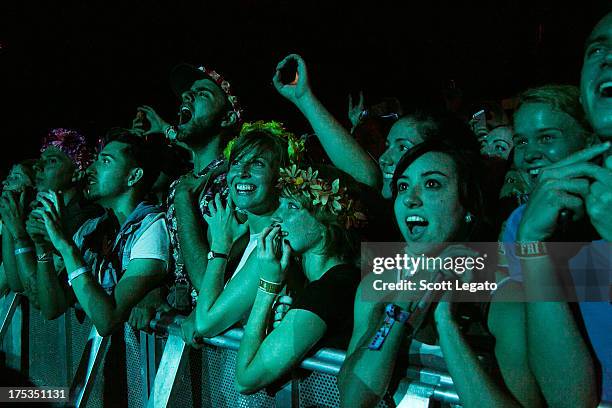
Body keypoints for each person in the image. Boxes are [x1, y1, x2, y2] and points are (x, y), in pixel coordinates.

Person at [337, 139, 533, 408]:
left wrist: (446, 324)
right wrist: (403, 299)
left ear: (469, 207)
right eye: (403, 186)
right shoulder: (378, 284)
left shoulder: (504, 296)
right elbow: (353, 399)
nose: (410, 198)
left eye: (431, 184)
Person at [502, 11, 612, 405]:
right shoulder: (526, 223)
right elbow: (569, 399)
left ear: (583, 136)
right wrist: (533, 245)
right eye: (596, 49)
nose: (530, 155)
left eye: (547, 137)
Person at [235, 164, 364, 394]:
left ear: (326, 224)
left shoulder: (330, 289)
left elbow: (246, 379)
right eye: (280, 204)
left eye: (292, 206)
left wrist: (267, 286)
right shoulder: (332, 282)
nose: (277, 215)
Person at [33, 130, 169, 337]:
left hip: (143, 367)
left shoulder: (151, 228)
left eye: (105, 162)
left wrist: (65, 246)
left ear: (133, 176)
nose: (91, 169)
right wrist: (43, 248)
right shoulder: (92, 229)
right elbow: (52, 308)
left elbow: (107, 321)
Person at [178, 121, 301, 344]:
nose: (242, 173)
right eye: (236, 163)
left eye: (257, 164)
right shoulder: (249, 240)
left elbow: (206, 324)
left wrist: (220, 246)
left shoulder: (273, 243)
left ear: (280, 177)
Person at [134, 63, 242, 313]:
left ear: (226, 118)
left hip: (219, 341)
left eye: (202, 93)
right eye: (187, 94)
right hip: (183, 340)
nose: (188, 96)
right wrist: (154, 290)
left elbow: (207, 282)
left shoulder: (234, 183)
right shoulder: (179, 185)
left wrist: (184, 199)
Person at [0, 129, 101, 301]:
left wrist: (19, 236)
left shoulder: (85, 218)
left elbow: (39, 297)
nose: (39, 167)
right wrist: (11, 217)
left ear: (76, 173)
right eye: (41, 161)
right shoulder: (44, 214)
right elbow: (16, 283)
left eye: (52, 161)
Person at [0, 160, 36, 297]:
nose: (5, 182)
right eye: (9, 176)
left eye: (16, 177)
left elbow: (15, 283)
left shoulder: (34, 231)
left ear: (33, 188)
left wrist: (9, 221)